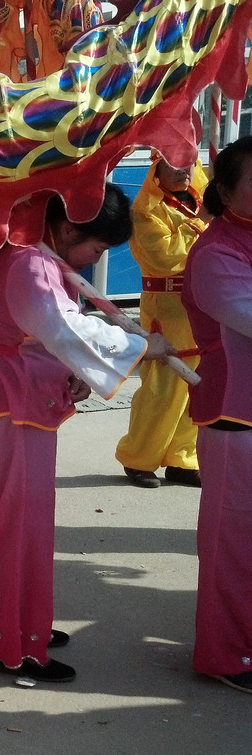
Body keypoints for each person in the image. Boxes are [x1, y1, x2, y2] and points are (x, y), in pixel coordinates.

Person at [0, 184, 176, 683]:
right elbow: (64, 329)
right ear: (67, 228)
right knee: (19, 528)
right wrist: (142, 348)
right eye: (96, 249)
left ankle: (22, 625)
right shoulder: (28, 264)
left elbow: (57, 332)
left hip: (21, 404)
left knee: (25, 525)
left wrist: (75, 370)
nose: (96, 258)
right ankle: (14, 645)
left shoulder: (38, 259)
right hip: (11, 408)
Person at [180, 136, 252, 693]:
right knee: (234, 545)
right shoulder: (214, 254)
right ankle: (226, 655)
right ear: (224, 190)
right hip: (235, 418)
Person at [115, 152, 209, 488]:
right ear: (156, 169)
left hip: (202, 307)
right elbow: (166, 258)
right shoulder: (145, 212)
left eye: (189, 163)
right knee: (161, 390)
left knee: (198, 386)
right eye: (173, 164)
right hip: (167, 308)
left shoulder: (203, 204)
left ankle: (183, 459)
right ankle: (139, 458)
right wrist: (205, 230)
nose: (184, 170)